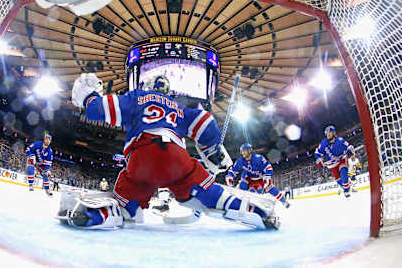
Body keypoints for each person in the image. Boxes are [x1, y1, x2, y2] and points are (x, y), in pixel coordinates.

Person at [65, 73, 279, 229]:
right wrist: (212, 150)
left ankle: (98, 215)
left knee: (126, 204)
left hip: (142, 158)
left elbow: (98, 109)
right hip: (177, 159)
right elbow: (205, 122)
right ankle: (255, 212)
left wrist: (88, 96)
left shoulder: (137, 97)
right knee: (211, 193)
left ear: (148, 86)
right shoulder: (179, 107)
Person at [226, 143, 290, 208]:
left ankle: (283, 201)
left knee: (269, 188)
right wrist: (230, 176)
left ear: (249, 151)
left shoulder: (258, 158)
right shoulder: (240, 161)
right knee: (243, 184)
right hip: (249, 178)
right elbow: (233, 169)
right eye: (241, 151)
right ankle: (240, 203)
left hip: (261, 178)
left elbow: (268, 167)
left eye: (244, 151)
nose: (242, 153)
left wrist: (267, 176)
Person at [315, 126, 355, 198]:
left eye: (330, 132)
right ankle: (348, 185)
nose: (328, 134)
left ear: (334, 133)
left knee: (343, 172)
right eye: (327, 133)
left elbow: (349, 146)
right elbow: (317, 152)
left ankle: (346, 191)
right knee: (338, 180)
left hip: (341, 159)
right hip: (332, 164)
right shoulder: (323, 143)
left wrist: (350, 151)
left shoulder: (340, 140)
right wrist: (319, 160)